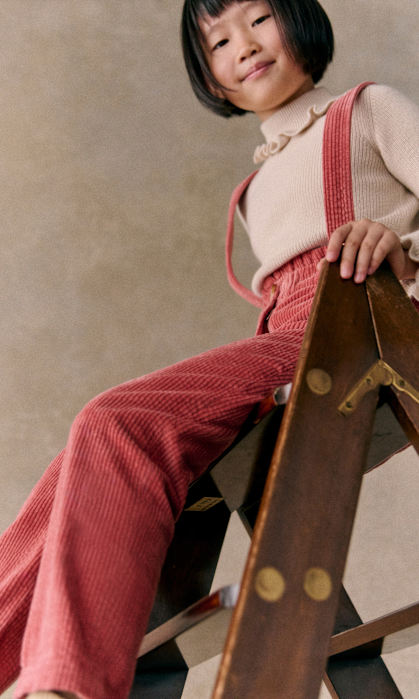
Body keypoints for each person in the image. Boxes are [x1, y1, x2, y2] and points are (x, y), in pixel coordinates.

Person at [0, 1, 418, 697]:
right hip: (291, 339)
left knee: (115, 422)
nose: (243, 46)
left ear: (299, 18)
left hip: (362, 324)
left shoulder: (367, 109)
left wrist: (403, 250)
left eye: (258, 18)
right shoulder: (252, 192)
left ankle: (69, 683)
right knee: (78, 468)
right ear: (209, 75)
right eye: (218, 42)